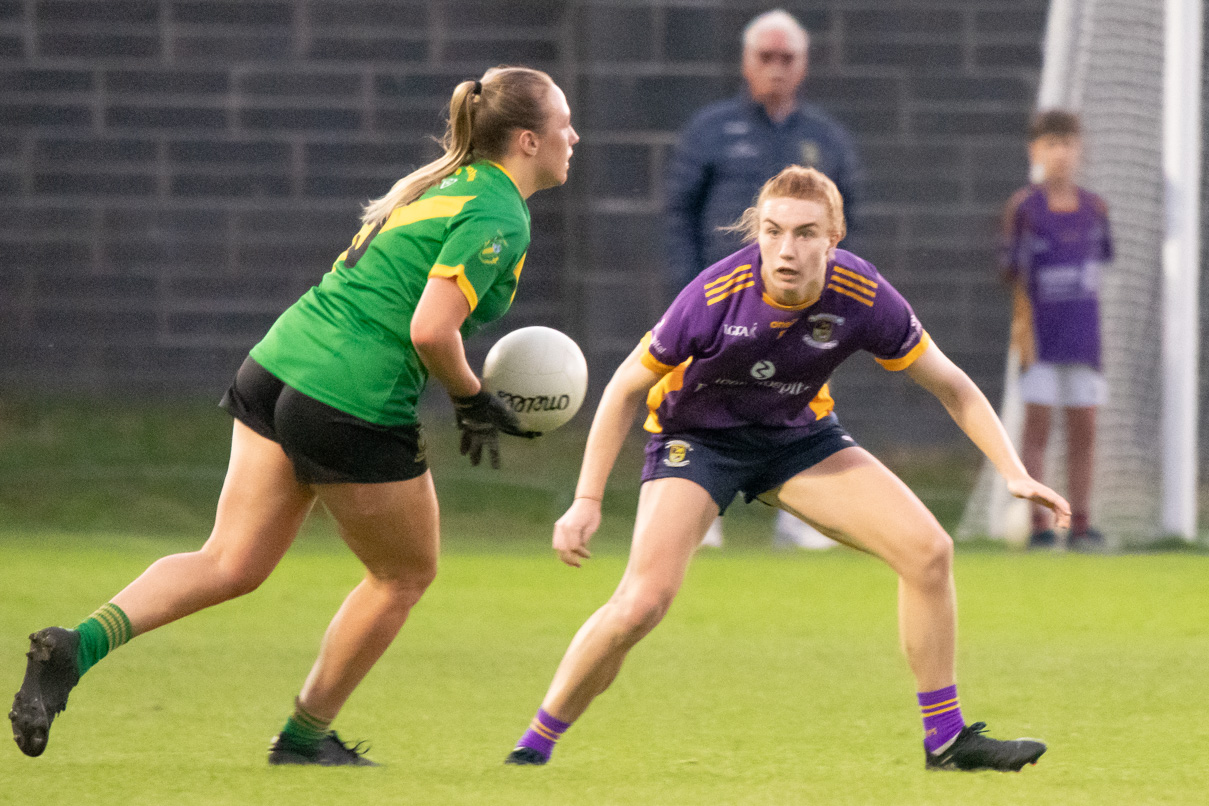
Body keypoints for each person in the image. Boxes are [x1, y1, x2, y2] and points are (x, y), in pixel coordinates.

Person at [9, 65, 578, 766]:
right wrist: (469, 398)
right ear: (527, 140)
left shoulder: (446, 181)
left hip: (277, 363)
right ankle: (305, 739)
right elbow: (433, 329)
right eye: (563, 123)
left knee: (230, 560)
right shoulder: (498, 212)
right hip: (350, 399)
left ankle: (77, 646)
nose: (573, 136)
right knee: (403, 576)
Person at [504, 166, 1064, 772]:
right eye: (772, 232)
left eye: (804, 234)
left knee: (929, 552)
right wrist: (587, 500)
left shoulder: (863, 294)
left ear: (834, 238)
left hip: (795, 437)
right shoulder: (716, 295)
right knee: (642, 604)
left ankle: (948, 742)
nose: (786, 250)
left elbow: (953, 387)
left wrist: (1013, 470)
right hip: (697, 441)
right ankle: (533, 746)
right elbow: (622, 391)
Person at [665, 8, 864, 549]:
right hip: (721, 304)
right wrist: (687, 290)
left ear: (803, 66)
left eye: (787, 58)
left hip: (802, 304)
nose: (776, 68)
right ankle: (700, 512)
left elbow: (851, 220)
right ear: (746, 63)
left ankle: (802, 518)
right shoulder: (711, 130)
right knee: (699, 398)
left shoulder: (825, 139)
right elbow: (679, 213)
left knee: (803, 396)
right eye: (765, 58)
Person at [1001, 110, 1112, 551]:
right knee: (1037, 431)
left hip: (1084, 341)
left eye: (1067, 143)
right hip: (1040, 342)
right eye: (1050, 143)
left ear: (1079, 150)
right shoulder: (1024, 209)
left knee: (1084, 431)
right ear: (1035, 151)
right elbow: (1011, 273)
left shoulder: (1095, 208)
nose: (1060, 152)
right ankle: (1041, 526)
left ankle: (1081, 525)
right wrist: (1024, 329)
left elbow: (1097, 269)